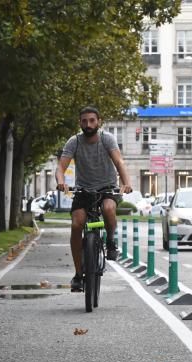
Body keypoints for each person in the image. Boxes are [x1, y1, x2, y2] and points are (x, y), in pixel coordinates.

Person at [55, 106, 132, 292]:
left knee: (108, 209)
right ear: (80, 123)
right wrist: (61, 181)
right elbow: (61, 167)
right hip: (83, 190)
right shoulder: (74, 142)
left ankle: (111, 240)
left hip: (107, 187)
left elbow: (119, 162)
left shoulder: (107, 139)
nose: (88, 124)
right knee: (77, 224)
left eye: (91, 120)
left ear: (98, 122)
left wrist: (126, 183)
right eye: (84, 121)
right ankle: (78, 274)